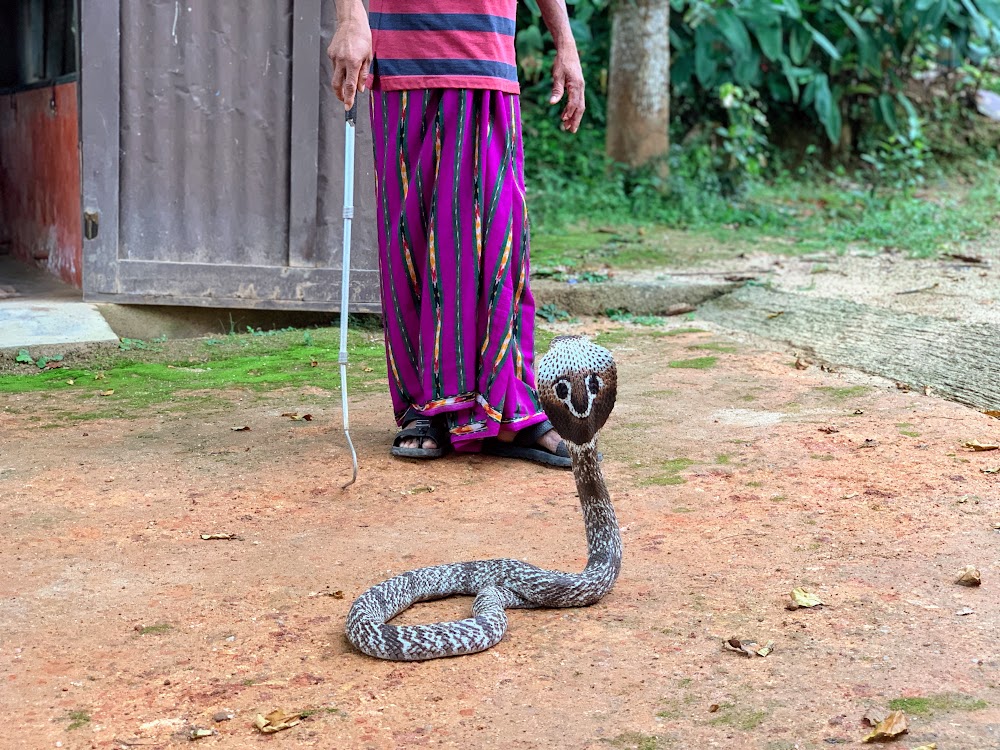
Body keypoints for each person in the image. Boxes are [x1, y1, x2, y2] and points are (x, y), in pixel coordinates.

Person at [327, 0, 585, 468]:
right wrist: (349, 17)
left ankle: (512, 409)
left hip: (488, 57)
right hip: (405, 58)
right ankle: (424, 409)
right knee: (412, 240)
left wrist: (566, 44)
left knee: (500, 242)